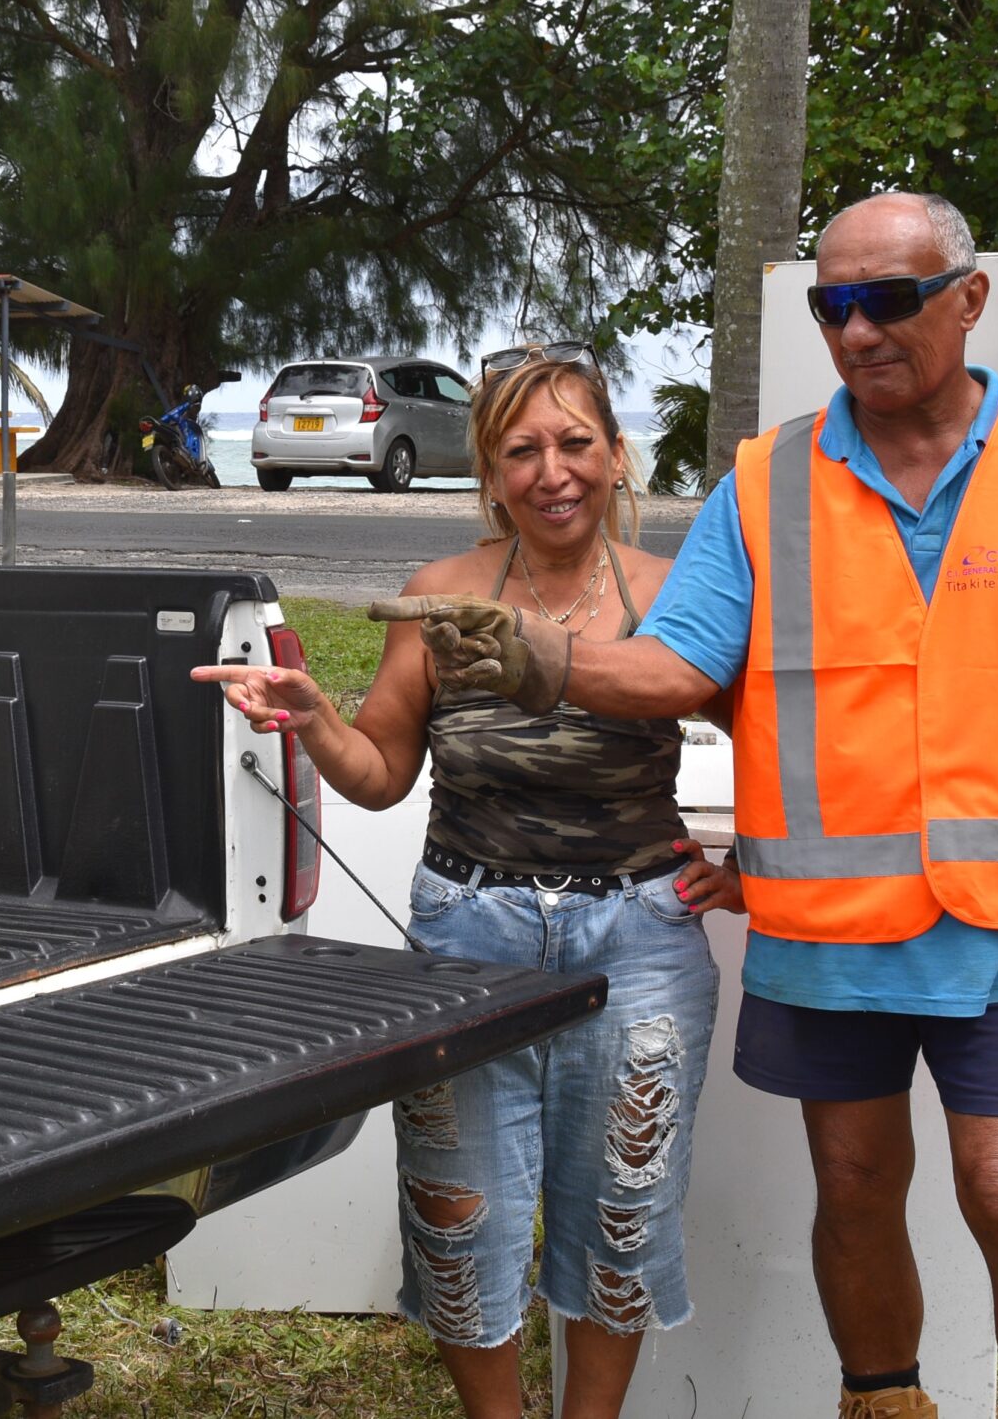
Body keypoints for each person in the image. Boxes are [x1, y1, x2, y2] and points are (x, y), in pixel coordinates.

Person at [378, 192, 998, 1419]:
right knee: (855, 1175)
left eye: (889, 299)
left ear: (969, 298)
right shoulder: (768, 481)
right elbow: (680, 671)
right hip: (828, 921)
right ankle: (883, 1400)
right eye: (834, 306)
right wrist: (536, 657)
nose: (859, 330)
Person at [195, 348, 739, 1419]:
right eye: (521, 450)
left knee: (620, 1215)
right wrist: (314, 720)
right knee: (462, 1216)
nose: (553, 471)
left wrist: (754, 858)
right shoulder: (442, 596)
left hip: (636, 936)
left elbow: (772, 734)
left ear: (615, 454)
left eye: (575, 442)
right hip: (467, 932)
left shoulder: (672, 596)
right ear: (490, 472)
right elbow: (382, 773)